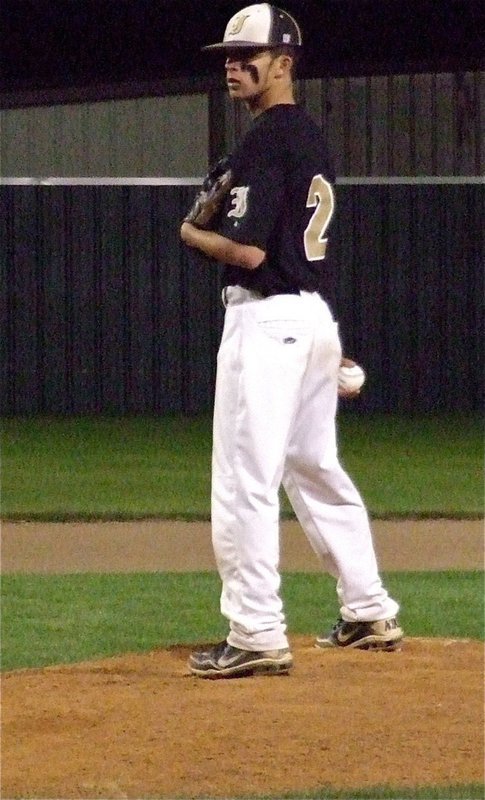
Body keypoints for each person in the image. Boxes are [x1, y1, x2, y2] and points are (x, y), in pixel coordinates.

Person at [180, 3, 402, 679]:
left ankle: (254, 632)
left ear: (283, 63)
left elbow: (248, 254)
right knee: (314, 468)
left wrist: (193, 234)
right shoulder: (309, 137)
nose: (232, 66)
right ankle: (368, 609)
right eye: (227, 56)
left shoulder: (266, 139)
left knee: (243, 481)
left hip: (266, 319)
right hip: (309, 316)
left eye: (245, 56)